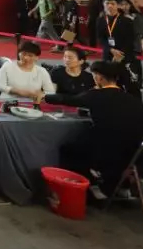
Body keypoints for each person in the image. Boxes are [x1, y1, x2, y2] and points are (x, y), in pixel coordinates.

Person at [48, 61, 143, 201]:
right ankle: (121, 186)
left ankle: (86, 189)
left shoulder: (96, 94)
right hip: (134, 153)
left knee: (68, 150)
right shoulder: (133, 99)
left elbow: (68, 99)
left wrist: (44, 97)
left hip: (106, 151)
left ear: (99, 77)